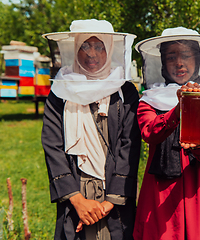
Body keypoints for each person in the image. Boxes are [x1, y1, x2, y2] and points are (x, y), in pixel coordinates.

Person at [133, 27, 200, 240]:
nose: (179, 63)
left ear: (198, 60)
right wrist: (178, 110)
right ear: (163, 63)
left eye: (186, 55)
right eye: (171, 56)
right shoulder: (149, 100)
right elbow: (150, 132)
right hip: (160, 193)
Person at [41, 19, 141, 240]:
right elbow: (52, 145)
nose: (91, 53)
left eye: (99, 46)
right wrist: (77, 200)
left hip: (114, 195)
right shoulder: (61, 89)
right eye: (85, 46)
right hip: (75, 193)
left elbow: (130, 144)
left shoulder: (124, 91)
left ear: (110, 49)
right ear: (75, 49)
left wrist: (110, 201)